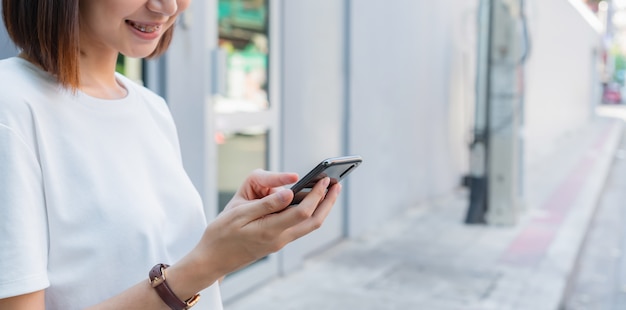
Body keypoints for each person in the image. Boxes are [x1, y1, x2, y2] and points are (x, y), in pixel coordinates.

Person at [0, 0, 341, 309]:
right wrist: (207, 262)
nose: (168, 6)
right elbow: (183, 281)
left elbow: (186, 289)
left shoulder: (151, 107)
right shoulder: (12, 107)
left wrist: (232, 242)